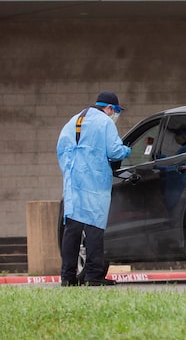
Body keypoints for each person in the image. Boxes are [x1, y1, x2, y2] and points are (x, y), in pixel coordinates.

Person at [57, 92, 131, 286]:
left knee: (72, 229)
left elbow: (61, 149)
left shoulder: (74, 120)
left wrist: (71, 170)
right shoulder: (105, 123)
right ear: (108, 108)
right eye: (115, 111)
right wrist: (127, 150)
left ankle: (68, 277)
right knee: (94, 229)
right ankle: (94, 276)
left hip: (74, 182)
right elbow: (114, 151)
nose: (114, 114)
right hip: (94, 182)